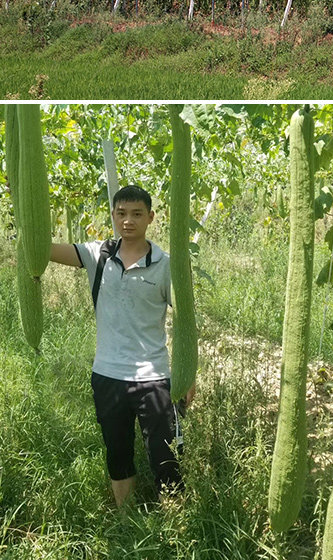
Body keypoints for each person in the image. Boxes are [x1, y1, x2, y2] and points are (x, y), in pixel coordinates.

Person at [50, 184, 195, 507]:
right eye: (121, 214)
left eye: (136, 214)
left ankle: (176, 529)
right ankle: (125, 523)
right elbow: (44, 250)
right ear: (113, 216)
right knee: (117, 451)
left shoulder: (167, 265)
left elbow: (187, 322)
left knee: (166, 456)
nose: (127, 221)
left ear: (151, 218)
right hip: (108, 374)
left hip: (155, 377)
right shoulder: (95, 254)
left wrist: (188, 376)